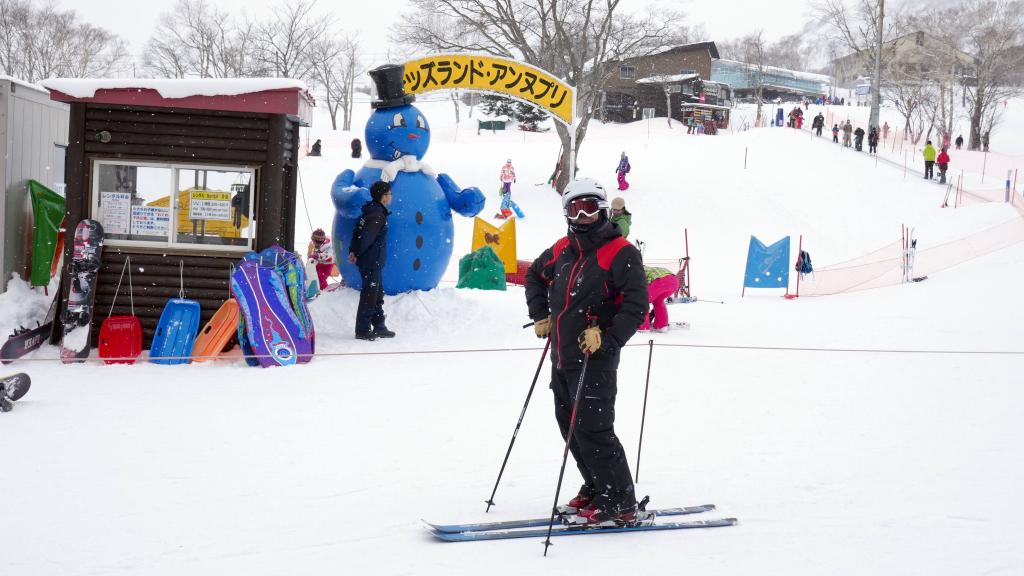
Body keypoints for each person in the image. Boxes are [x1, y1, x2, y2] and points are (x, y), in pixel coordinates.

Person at [524, 177, 647, 525]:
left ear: (603, 210)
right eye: (575, 208)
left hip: (595, 359)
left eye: (590, 207)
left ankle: (619, 502)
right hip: (562, 356)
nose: (582, 215)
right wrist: (541, 315)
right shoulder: (564, 247)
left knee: (594, 430)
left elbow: (637, 305)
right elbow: (534, 274)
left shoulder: (620, 251)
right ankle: (596, 487)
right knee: (571, 428)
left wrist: (608, 339)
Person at [348, 181, 395, 341]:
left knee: (376, 293)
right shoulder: (377, 215)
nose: (391, 197)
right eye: (389, 194)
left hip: (373, 262)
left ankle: (379, 326)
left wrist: (353, 250)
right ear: (383, 197)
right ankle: (362, 329)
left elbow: (357, 232)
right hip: (371, 261)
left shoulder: (372, 211)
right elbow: (366, 238)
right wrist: (356, 252)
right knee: (370, 295)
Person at [638, 266, 680, 331]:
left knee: (642, 301)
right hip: (674, 281)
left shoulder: (635, 271)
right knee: (658, 301)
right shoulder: (646, 268)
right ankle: (661, 326)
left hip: (660, 281)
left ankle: (643, 327)